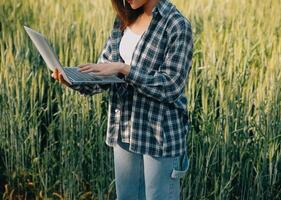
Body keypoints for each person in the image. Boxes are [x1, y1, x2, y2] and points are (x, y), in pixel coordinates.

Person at [52, 0, 193, 199]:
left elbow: (171, 86)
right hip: (124, 129)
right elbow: (105, 72)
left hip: (159, 137)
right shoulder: (123, 19)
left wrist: (124, 69)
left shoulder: (176, 25)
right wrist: (73, 80)